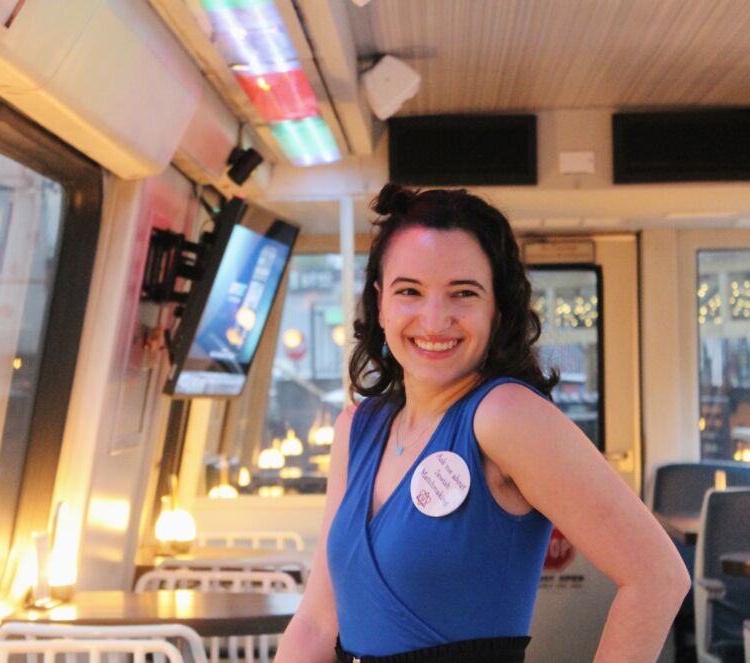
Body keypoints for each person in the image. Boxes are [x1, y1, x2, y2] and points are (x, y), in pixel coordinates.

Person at [274, 185, 689, 663]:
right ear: (380, 302)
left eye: (463, 293)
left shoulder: (504, 416)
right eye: (409, 291)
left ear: (497, 308)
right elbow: (317, 623)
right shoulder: (357, 428)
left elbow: (657, 577)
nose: (434, 320)